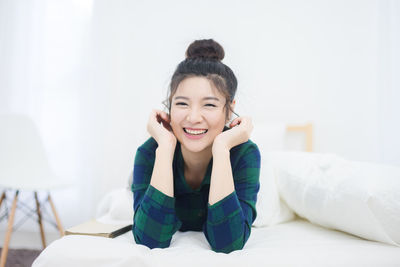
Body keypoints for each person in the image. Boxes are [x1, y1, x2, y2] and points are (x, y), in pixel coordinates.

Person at [131, 39, 261, 253]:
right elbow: (149, 241)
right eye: (181, 103)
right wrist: (165, 146)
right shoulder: (150, 152)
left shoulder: (244, 153)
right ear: (169, 106)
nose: (193, 118)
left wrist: (222, 148)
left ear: (229, 110)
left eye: (209, 104)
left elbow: (228, 244)